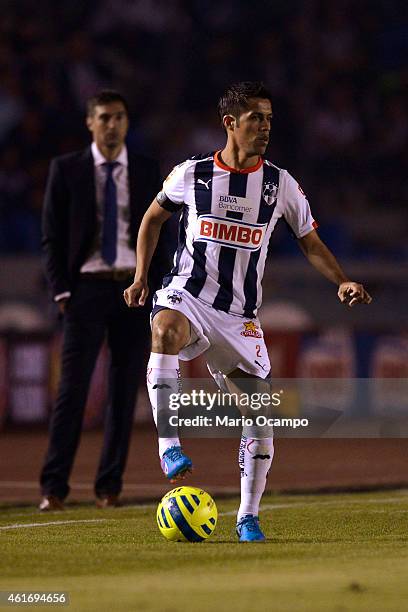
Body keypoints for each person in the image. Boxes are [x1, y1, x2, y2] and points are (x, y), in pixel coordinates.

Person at [123, 81, 372, 541]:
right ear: (230, 123)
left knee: (260, 417)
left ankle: (247, 516)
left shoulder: (281, 185)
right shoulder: (192, 174)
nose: (265, 127)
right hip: (189, 295)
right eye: (256, 118)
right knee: (165, 331)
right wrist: (141, 277)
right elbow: (152, 218)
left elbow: (311, 243)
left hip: (239, 319)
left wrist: (344, 280)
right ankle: (169, 446)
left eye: (270, 119)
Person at [39, 90, 169, 511]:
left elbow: (164, 232)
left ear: (127, 123)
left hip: (134, 290)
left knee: (122, 392)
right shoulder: (67, 169)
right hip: (86, 289)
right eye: (105, 117)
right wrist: (62, 290)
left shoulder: (149, 171)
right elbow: (52, 235)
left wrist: (155, 284)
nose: (113, 124)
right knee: (71, 393)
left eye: (120, 117)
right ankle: (53, 488)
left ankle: (108, 487)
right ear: (90, 123)